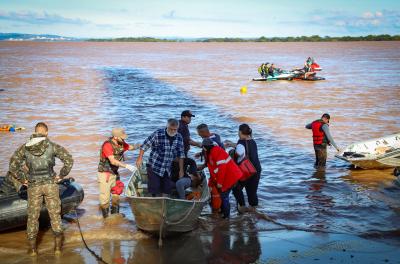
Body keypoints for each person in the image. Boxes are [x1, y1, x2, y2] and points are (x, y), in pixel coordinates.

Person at [8, 122, 73, 256]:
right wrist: (61, 175)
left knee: (32, 217)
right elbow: (68, 159)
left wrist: (23, 179)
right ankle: (57, 249)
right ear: (46, 132)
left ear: (35, 131)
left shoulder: (25, 147)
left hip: (33, 185)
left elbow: (13, 165)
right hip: (50, 184)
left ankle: (32, 250)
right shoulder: (52, 146)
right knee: (55, 215)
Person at [136, 119, 185, 197]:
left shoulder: (179, 137)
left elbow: (181, 155)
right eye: (170, 129)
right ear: (167, 127)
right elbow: (144, 146)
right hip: (154, 165)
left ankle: (163, 202)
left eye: (175, 129)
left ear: (177, 128)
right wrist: (139, 158)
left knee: (167, 189)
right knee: (155, 188)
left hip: (167, 168)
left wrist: (181, 170)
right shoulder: (158, 133)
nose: (172, 131)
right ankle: (155, 201)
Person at [98, 128, 140, 218]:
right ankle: (105, 219)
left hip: (115, 173)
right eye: (122, 137)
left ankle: (115, 217)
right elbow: (112, 161)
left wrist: (138, 146)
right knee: (104, 200)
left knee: (116, 194)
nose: (124, 139)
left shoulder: (121, 143)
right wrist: (127, 166)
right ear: (115, 137)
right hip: (105, 174)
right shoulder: (107, 145)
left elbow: (130, 147)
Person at [225, 124, 262, 213]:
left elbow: (239, 152)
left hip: (246, 171)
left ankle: (242, 206)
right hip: (256, 170)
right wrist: (232, 144)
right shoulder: (252, 141)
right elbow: (243, 148)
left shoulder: (240, 143)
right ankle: (254, 211)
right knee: (252, 192)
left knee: (236, 188)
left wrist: (231, 151)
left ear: (240, 132)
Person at [202, 138, 242, 218]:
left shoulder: (216, 152)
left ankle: (226, 217)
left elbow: (221, 168)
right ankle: (225, 213)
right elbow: (213, 171)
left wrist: (219, 183)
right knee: (224, 195)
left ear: (205, 147)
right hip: (227, 176)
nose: (203, 149)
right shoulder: (210, 153)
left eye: (203, 148)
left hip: (231, 176)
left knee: (224, 196)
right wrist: (210, 184)